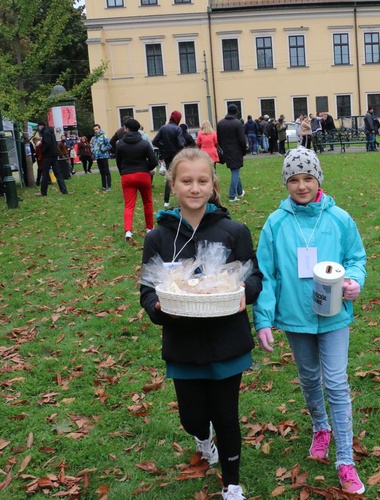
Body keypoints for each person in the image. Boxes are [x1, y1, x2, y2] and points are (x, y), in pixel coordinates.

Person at [140, 147, 262, 500]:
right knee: (193, 417)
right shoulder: (157, 237)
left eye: (202, 181)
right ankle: (201, 437)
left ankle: (232, 483)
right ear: (173, 185)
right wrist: (162, 309)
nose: (195, 188)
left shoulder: (233, 230)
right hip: (183, 344)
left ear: (213, 185)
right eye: (186, 181)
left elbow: (255, 279)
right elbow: (147, 292)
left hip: (227, 341)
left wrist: (243, 291)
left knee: (226, 416)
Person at [253, 147, 367, 495]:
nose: (301, 186)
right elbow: (266, 275)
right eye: (293, 179)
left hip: (334, 316)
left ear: (318, 178)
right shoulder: (276, 223)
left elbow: (356, 257)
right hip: (295, 316)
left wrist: (354, 281)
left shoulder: (339, 219)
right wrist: (264, 319)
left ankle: (345, 460)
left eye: (307, 178)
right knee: (308, 377)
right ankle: (321, 427)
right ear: (286, 183)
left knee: (335, 381)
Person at [116, 118, 158, 242]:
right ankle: (149, 228)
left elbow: (118, 161)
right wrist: (146, 168)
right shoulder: (144, 143)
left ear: (127, 129)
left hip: (127, 176)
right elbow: (153, 161)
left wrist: (123, 171)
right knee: (148, 202)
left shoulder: (120, 144)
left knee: (129, 205)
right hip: (143, 175)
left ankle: (128, 231)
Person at [152, 110, 186, 208]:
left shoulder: (163, 128)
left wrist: (163, 146)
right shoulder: (177, 129)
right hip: (177, 155)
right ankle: (182, 198)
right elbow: (180, 144)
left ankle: (166, 201)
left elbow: (155, 141)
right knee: (180, 176)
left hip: (167, 155)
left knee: (169, 176)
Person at [217, 104, 247, 203]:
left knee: (235, 170)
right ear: (236, 112)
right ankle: (232, 195)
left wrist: (223, 149)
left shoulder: (220, 123)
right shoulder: (237, 123)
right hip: (236, 150)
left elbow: (219, 139)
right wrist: (244, 150)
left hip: (226, 150)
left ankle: (239, 191)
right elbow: (242, 139)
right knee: (235, 172)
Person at [37, 121, 69, 196]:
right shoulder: (51, 132)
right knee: (58, 174)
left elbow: (47, 143)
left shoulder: (45, 133)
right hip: (54, 155)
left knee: (45, 174)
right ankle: (64, 190)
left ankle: (43, 191)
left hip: (47, 156)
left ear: (41, 126)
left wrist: (42, 151)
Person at [92, 124, 113, 192]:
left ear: (100, 129)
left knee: (106, 171)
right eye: (94, 129)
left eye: (97, 129)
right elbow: (93, 145)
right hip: (98, 157)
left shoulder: (104, 136)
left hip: (104, 156)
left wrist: (103, 149)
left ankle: (109, 186)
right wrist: (93, 150)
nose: (96, 131)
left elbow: (109, 145)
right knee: (101, 172)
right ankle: (103, 186)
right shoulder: (94, 137)